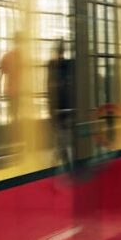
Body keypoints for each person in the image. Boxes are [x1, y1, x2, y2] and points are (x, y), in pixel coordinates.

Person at [47, 39, 74, 169]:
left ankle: (58, 164)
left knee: (60, 137)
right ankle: (64, 163)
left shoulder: (51, 65)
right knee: (61, 137)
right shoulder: (69, 65)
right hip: (66, 107)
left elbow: (49, 89)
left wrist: (50, 109)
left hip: (57, 108)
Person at [0, 32, 21, 123]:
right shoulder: (25, 56)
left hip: (11, 89)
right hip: (22, 90)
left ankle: (14, 131)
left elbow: (1, 73)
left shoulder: (7, 56)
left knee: (13, 114)